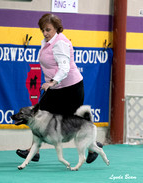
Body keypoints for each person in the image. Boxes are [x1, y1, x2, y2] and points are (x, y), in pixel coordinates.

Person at [16, 13, 102, 163]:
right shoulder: (46, 42)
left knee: (75, 119)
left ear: (56, 28)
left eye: (48, 29)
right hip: (56, 88)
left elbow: (65, 68)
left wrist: (51, 82)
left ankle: (93, 147)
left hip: (71, 88)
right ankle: (34, 151)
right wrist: (52, 84)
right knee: (38, 114)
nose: (45, 33)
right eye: (43, 30)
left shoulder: (60, 43)